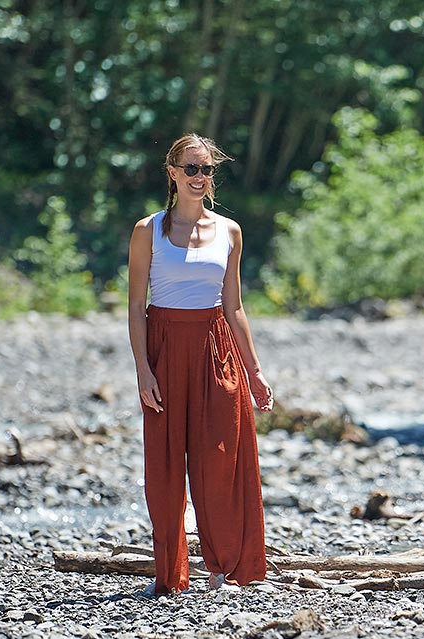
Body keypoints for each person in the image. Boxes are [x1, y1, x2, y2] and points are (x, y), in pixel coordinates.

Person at [126, 133, 274, 596]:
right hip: (165, 348)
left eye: (206, 169)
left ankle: (223, 569)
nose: (199, 177)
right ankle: (171, 574)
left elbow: (234, 308)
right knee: (166, 469)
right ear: (171, 173)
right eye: (190, 168)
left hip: (216, 351)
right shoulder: (146, 230)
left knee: (220, 461)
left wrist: (255, 372)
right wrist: (142, 371)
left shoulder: (230, 231)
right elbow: (135, 308)